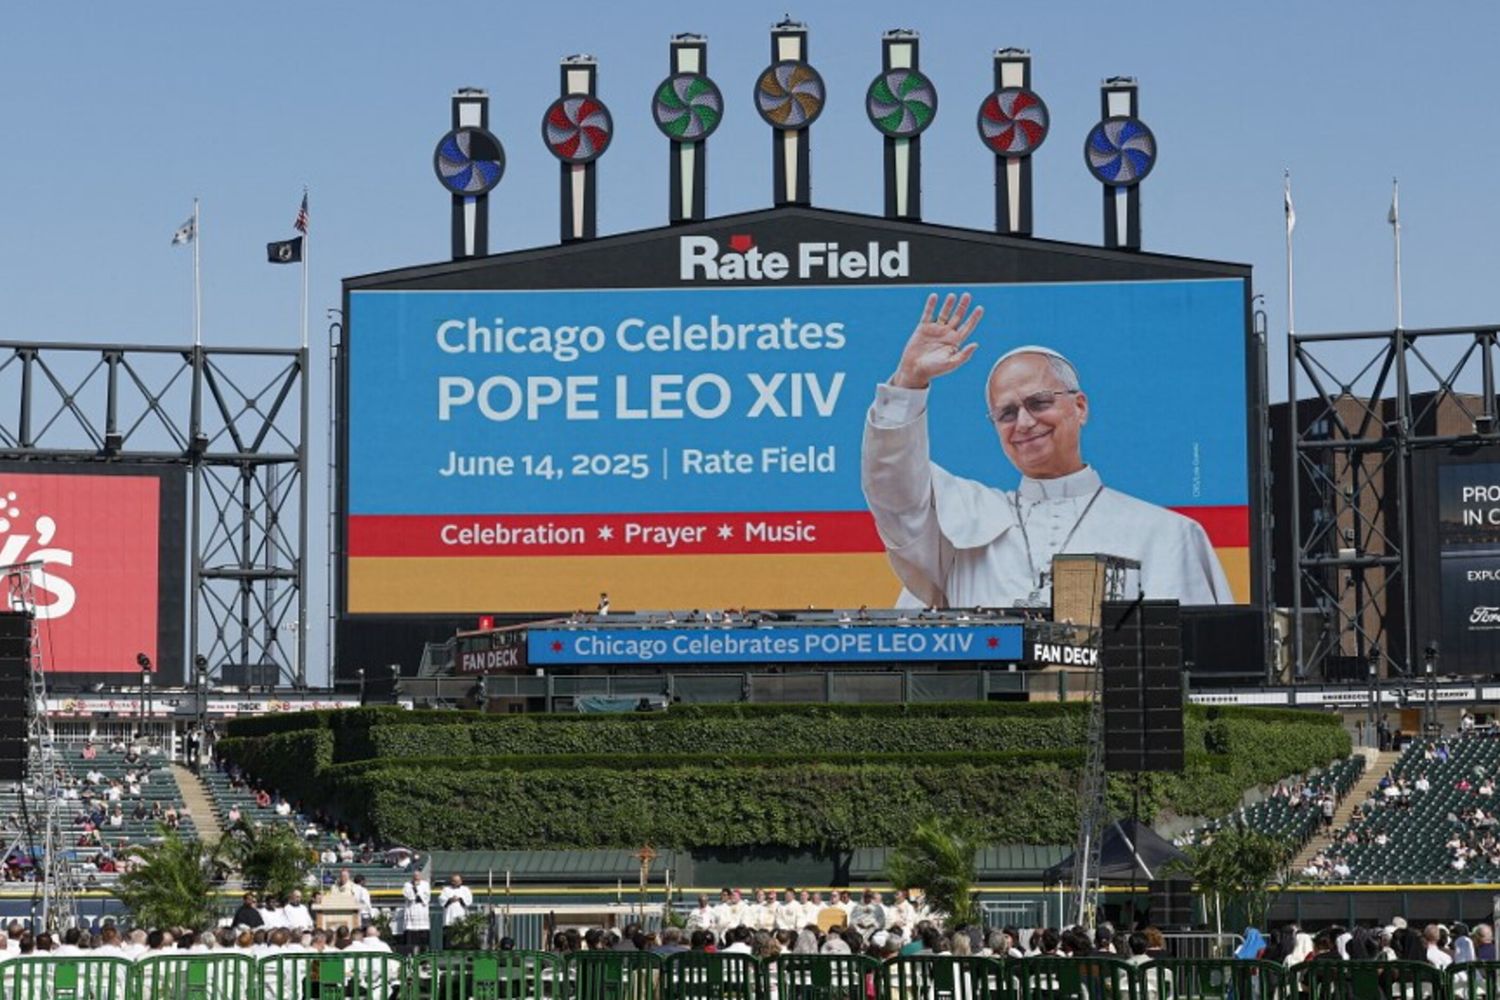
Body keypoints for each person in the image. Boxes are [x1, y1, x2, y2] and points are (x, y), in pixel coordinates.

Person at [861, 292, 1231, 608]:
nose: (1023, 423)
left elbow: (1189, 665)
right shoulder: (962, 525)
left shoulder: (1165, 534)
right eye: (1006, 413)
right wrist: (909, 382)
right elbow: (894, 491)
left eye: (1038, 403)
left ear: (1080, 407)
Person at [439, 874, 473, 944]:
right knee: (448, 940)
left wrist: (460, 899)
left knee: (461, 940)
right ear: (452, 881)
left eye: (458, 881)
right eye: (454, 881)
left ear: (461, 881)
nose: (456, 882)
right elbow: (441, 900)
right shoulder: (446, 889)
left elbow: (469, 900)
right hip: (449, 919)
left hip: (462, 919)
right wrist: (450, 899)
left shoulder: (465, 889)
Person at [402, 871, 431, 953]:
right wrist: (414, 889)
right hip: (411, 911)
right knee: (411, 938)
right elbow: (408, 896)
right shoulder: (407, 884)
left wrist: (418, 895)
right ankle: (410, 957)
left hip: (422, 912)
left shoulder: (425, 884)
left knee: (423, 939)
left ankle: (424, 960)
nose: (416, 877)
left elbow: (426, 897)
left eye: (418, 875)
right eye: (415, 875)